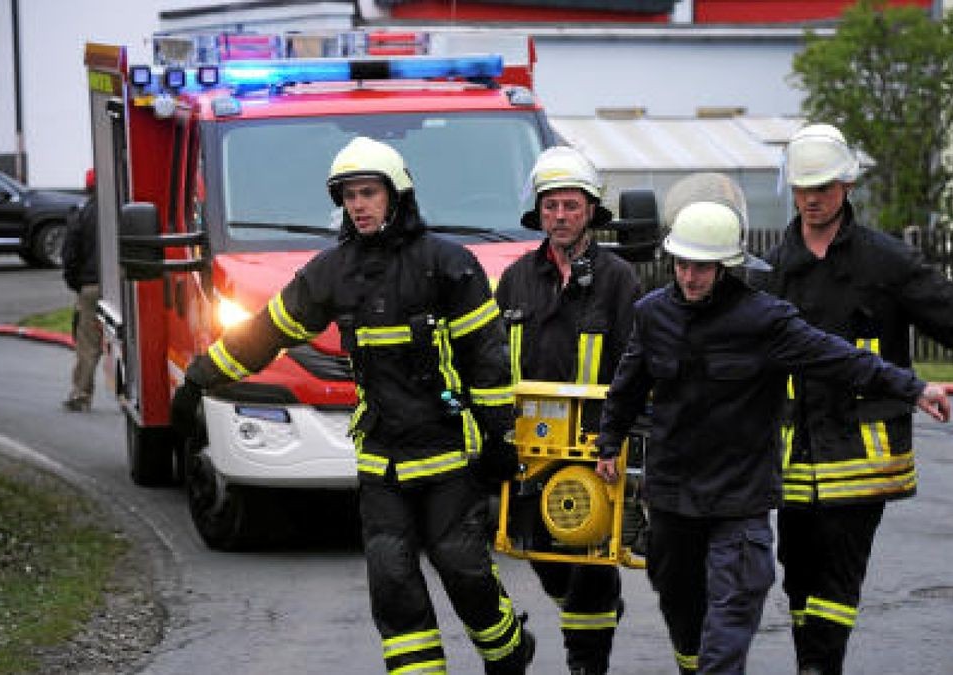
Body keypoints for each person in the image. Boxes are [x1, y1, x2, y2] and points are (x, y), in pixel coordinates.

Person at [170, 137, 535, 674]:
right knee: (392, 581)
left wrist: (500, 440)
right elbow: (264, 332)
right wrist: (199, 379)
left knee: (464, 569)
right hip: (381, 458)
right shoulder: (331, 271)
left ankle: (508, 654)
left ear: (397, 195)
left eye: (368, 193)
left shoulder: (448, 265)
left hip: (448, 456)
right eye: (348, 196)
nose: (358, 205)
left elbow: (487, 361)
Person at [592, 200, 951, 675]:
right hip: (674, 497)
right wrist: (609, 441)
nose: (689, 276)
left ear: (726, 267)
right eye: (682, 264)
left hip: (739, 499)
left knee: (735, 604)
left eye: (702, 266)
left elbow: (839, 358)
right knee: (682, 608)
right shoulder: (652, 314)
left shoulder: (764, 320)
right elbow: (629, 384)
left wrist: (914, 387)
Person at [758, 123, 953, 675]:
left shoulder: (882, 261)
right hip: (796, 457)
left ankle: (819, 669)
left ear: (846, 185)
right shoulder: (776, 270)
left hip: (864, 450)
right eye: (802, 188)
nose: (812, 198)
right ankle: (813, 663)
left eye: (822, 186)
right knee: (796, 570)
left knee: (837, 571)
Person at [495, 147, 639, 675]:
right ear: (539, 212)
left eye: (571, 206)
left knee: (590, 561)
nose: (559, 216)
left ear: (590, 212)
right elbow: (494, 359)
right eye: (551, 206)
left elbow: (634, 361)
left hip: (594, 446)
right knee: (543, 555)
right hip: (531, 448)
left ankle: (587, 661)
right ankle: (594, 612)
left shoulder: (618, 279)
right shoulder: (515, 279)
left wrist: (617, 439)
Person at [61, 168, 101, 412]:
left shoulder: (81, 215)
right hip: (125, 287)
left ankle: (81, 394)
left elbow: (70, 255)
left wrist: (77, 284)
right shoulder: (125, 211)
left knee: (87, 344)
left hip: (91, 287)